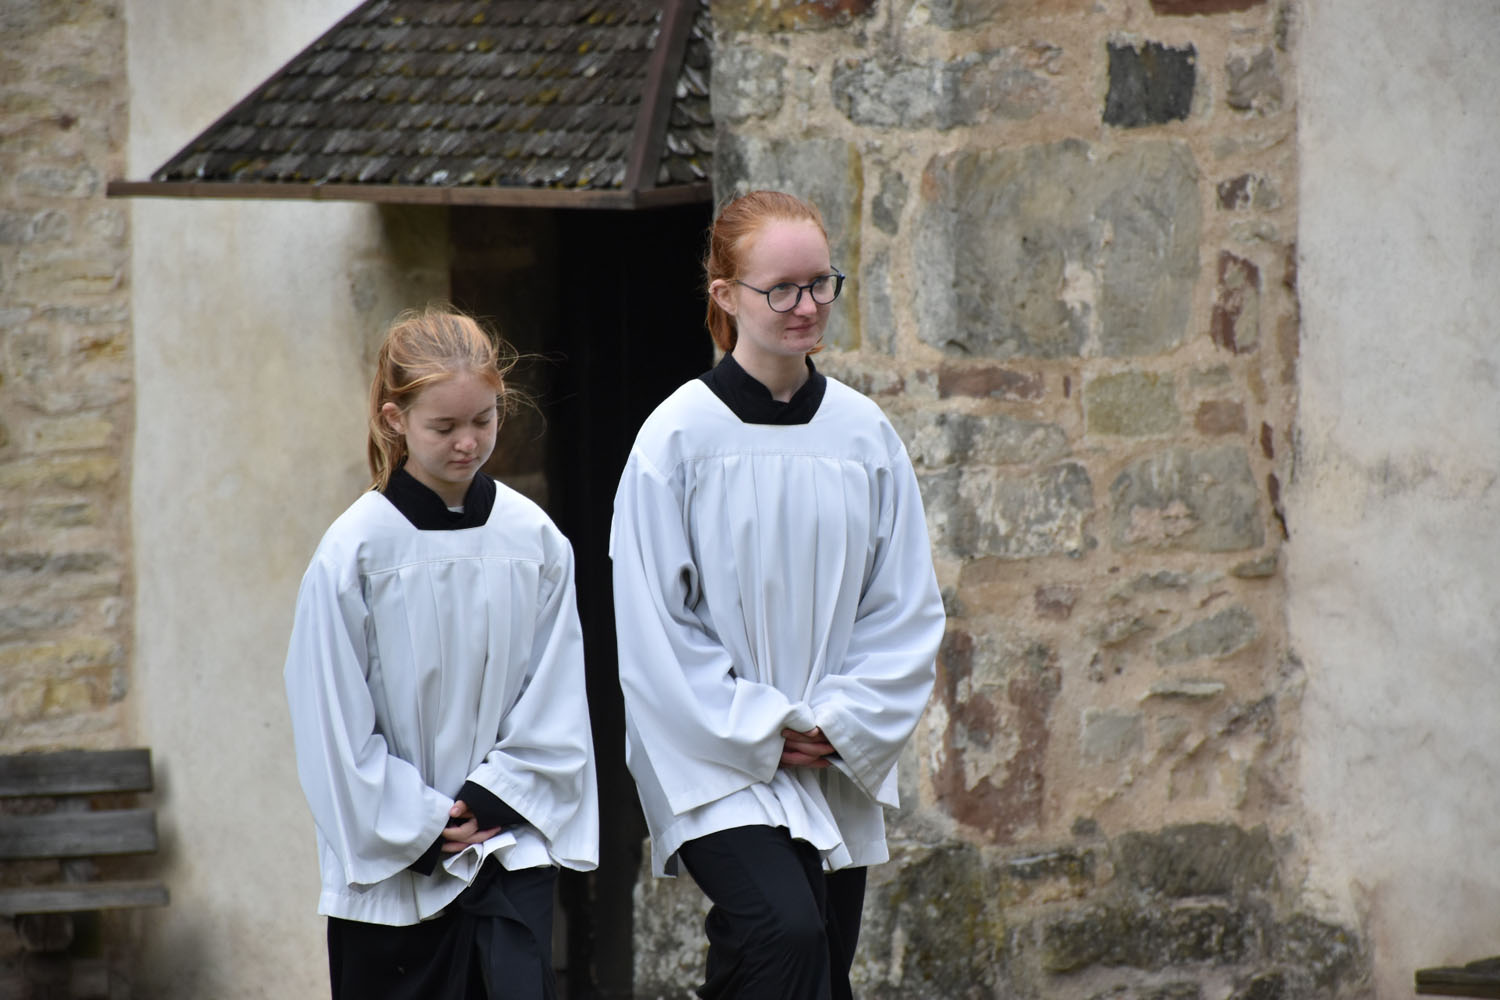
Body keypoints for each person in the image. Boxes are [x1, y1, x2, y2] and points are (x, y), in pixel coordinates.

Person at [609, 191, 946, 999]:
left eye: (820, 284)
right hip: (715, 756)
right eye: (782, 290)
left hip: (832, 756)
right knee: (784, 934)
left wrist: (839, 722)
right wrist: (762, 728)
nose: (807, 307)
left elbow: (902, 605)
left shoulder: (863, 435)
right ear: (726, 295)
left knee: (820, 960)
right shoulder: (676, 440)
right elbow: (657, 626)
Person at [283, 307, 597, 1000]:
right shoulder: (355, 553)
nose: (468, 443)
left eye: (484, 419)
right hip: (393, 885)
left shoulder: (534, 540)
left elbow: (555, 693)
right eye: (444, 426)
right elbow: (331, 724)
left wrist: (492, 799)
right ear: (395, 419)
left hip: (506, 852)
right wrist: (423, 823)